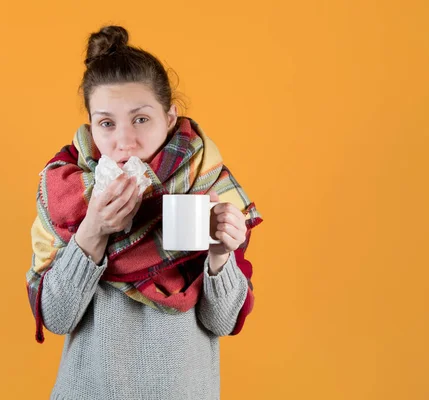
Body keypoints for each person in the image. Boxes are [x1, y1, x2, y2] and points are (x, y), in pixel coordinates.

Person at [25, 25, 263, 400]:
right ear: (91, 126)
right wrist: (94, 229)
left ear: (169, 117)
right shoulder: (66, 192)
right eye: (107, 123)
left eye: (140, 119)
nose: (125, 141)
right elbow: (56, 318)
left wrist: (220, 257)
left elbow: (222, 321)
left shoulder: (206, 184)